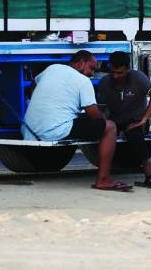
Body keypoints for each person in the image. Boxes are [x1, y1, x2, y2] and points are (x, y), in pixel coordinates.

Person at [22, 49, 131, 192]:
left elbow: (33, 86)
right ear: (80, 63)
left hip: (28, 129)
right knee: (110, 127)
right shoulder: (83, 81)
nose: (92, 73)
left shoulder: (52, 68)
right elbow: (95, 117)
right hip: (54, 131)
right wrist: (106, 118)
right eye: (91, 68)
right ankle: (103, 180)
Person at [95, 50, 151, 189]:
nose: (116, 76)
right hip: (115, 120)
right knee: (105, 131)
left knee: (135, 133)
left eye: (120, 73)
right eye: (113, 72)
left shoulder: (138, 77)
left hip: (136, 119)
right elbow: (100, 108)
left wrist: (144, 119)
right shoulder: (105, 82)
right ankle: (103, 175)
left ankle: (150, 175)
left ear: (128, 69)